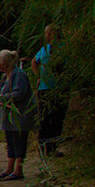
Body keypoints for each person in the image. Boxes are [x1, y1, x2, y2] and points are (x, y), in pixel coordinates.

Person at [0, 49, 36, 180]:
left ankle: (18, 170)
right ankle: (9, 169)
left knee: (19, 141)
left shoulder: (19, 74)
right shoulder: (6, 76)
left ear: (4, 63)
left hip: (20, 115)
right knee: (10, 141)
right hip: (9, 117)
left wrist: (3, 98)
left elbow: (19, 93)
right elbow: (0, 92)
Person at [31, 24, 66, 156]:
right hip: (48, 88)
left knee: (53, 118)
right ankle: (45, 147)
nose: (47, 36)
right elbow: (34, 62)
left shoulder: (62, 48)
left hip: (58, 89)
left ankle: (50, 148)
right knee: (48, 118)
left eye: (48, 34)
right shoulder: (45, 49)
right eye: (46, 34)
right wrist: (38, 76)